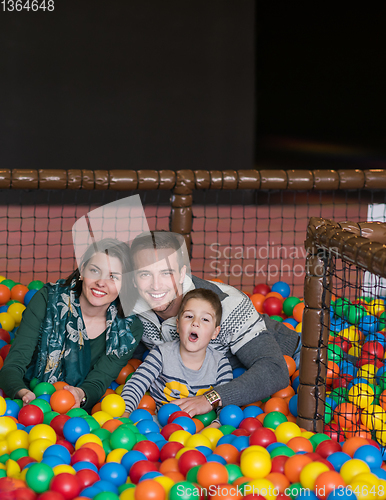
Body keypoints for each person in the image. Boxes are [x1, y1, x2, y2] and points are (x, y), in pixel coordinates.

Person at [130, 231, 300, 417]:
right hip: (210, 383)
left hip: (289, 360)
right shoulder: (132, 311)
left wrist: (210, 399)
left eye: (166, 273)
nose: (156, 285)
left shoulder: (227, 304)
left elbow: (275, 369)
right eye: (145, 273)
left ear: (181, 274)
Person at [0, 238, 143, 412]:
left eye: (113, 277)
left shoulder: (127, 330)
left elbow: (100, 379)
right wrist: (23, 393)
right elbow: (14, 363)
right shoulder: (48, 300)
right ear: (82, 270)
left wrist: (80, 395)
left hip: (76, 411)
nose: (101, 282)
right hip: (30, 400)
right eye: (95, 271)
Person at [121, 288, 233, 416]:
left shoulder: (220, 364)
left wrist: (215, 427)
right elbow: (137, 384)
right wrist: (126, 413)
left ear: (215, 332)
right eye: (189, 316)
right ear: (178, 325)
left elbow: (226, 406)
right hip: (156, 425)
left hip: (201, 430)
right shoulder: (161, 354)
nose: (195, 323)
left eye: (205, 319)